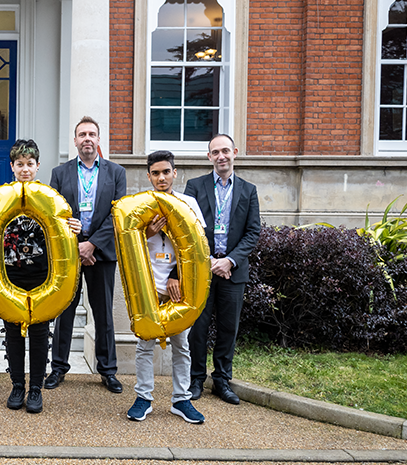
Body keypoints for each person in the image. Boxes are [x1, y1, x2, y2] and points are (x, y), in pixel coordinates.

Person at [45, 116, 128, 394]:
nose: (87, 139)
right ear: (75, 140)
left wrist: (92, 245)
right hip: (69, 253)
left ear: (99, 139)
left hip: (102, 253)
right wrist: (79, 245)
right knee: (63, 310)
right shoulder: (60, 172)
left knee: (103, 312)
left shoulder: (116, 172)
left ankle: (107, 370)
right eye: (82, 134)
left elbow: (117, 214)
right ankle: (58, 367)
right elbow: (55, 213)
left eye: (92, 134)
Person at [1, 139, 81, 414]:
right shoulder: (1, 198)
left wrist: (75, 226)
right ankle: (16, 385)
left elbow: (66, 228)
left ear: (38, 166)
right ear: (12, 167)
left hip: (41, 276)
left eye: (30, 164)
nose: (25, 169)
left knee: (39, 333)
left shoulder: (50, 199)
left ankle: (35, 387)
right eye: (20, 164)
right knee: (12, 331)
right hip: (10, 276)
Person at [127, 150, 206, 424]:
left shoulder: (189, 203)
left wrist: (176, 275)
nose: (161, 177)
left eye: (166, 172)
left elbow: (197, 248)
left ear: (175, 173)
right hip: (148, 287)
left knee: (182, 345)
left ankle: (181, 399)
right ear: (148, 176)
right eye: (156, 173)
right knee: (144, 344)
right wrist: (146, 232)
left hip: (179, 287)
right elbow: (128, 244)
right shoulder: (139, 205)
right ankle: (143, 397)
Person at [183, 134, 262, 405]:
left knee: (229, 327)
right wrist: (209, 262)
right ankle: (196, 379)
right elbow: (188, 228)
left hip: (233, 271)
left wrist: (229, 260)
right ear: (209, 157)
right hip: (202, 270)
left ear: (235, 153)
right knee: (198, 328)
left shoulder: (248, 190)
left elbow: (253, 232)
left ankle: (222, 380)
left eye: (225, 151)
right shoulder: (194, 186)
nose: (221, 157)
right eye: (215, 152)